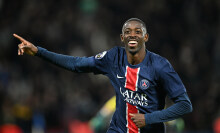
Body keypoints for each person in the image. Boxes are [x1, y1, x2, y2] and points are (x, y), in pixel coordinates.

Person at [14, 18, 193, 133]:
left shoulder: (160, 66)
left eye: (138, 32)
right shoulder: (113, 57)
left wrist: (148, 118)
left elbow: (185, 105)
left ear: (146, 37)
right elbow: (76, 64)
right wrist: (39, 52)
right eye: (127, 32)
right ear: (122, 38)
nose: (132, 35)